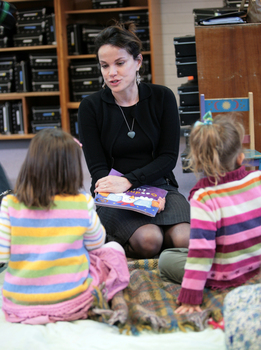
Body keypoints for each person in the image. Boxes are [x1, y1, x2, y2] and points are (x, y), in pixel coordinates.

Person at [78, 21, 190, 259]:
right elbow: (98, 169)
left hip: (160, 187)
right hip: (114, 195)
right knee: (149, 240)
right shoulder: (91, 107)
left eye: (120, 63)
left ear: (138, 62)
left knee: (185, 238)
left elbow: (168, 158)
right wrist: (129, 193)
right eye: (105, 66)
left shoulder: (162, 97)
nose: (111, 73)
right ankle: (122, 248)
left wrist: (141, 189)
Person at [0, 128, 130, 324]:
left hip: (19, 305)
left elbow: (2, 255)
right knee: (113, 249)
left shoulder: (10, 203)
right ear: (72, 167)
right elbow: (97, 244)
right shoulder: (82, 201)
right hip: (72, 302)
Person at [158, 112, 261, 314]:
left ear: (198, 162)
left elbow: (202, 253)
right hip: (256, 261)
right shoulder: (257, 178)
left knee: (166, 259)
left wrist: (191, 297)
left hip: (227, 273)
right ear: (240, 156)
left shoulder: (204, 197)